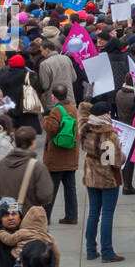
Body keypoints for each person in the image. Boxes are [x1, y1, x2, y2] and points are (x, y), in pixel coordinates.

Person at [79, 101, 125, 263]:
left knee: (93, 213)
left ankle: (91, 249)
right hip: (107, 178)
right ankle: (107, 251)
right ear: (107, 114)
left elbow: (82, 111)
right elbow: (114, 160)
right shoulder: (109, 134)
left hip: (91, 175)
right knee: (107, 214)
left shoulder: (85, 129)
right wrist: (123, 155)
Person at [40, 85, 80, 225]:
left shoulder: (56, 111)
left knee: (51, 189)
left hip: (56, 158)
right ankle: (72, 215)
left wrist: (45, 118)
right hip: (70, 156)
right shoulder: (74, 109)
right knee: (70, 189)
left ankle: (45, 217)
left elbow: (50, 130)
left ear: (54, 96)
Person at [0, 126, 53, 210]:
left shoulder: (1, 165)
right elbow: (45, 196)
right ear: (33, 143)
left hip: (6, 216)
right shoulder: (37, 167)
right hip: (29, 216)